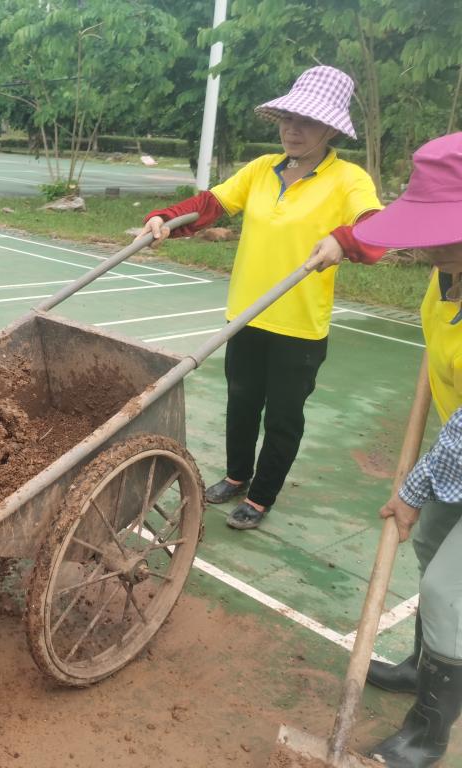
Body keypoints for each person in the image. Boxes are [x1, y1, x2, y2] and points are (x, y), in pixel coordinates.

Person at [140, 66, 384, 530]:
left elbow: (375, 230)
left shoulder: (347, 179)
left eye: (307, 121)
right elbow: (210, 205)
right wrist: (166, 219)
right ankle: (236, 476)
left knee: (284, 417)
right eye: (288, 118)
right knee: (241, 401)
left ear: (331, 127)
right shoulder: (261, 170)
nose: (293, 129)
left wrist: (343, 240)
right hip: (247, 316)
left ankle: (263, 495)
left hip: (299, 326)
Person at [354, 132, 462, 768]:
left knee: (450, 588)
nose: (423, 240)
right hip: (456, 445)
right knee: (426, 547)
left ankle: (428, 731)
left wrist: (413, 487)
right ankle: (428, 665)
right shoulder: (445, 273)